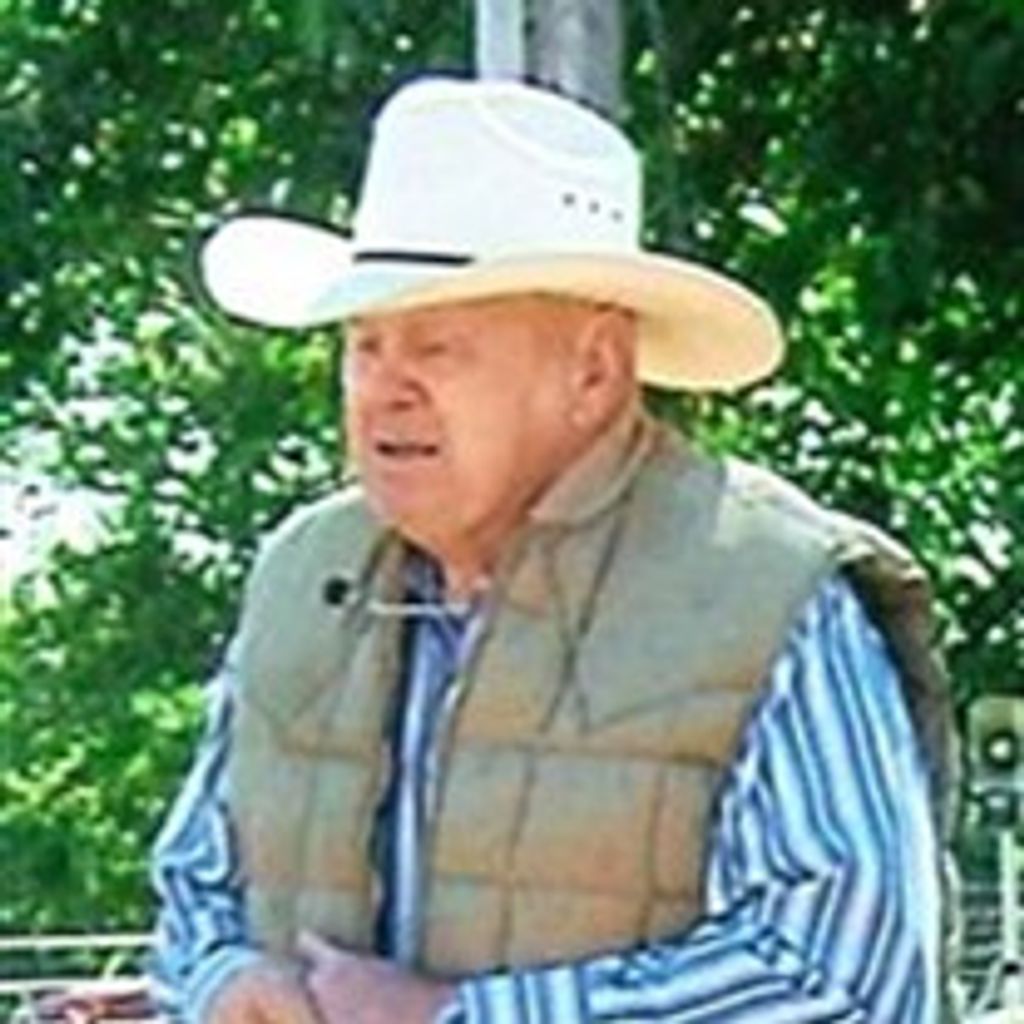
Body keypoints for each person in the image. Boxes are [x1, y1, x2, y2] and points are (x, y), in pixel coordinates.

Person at [150, 76, 953, 1024]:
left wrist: (459, 1018)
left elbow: (849, 984)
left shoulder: (763, 587)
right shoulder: (305, 573)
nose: (385, 390)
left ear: (594, 372)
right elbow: (193, 886)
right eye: (365, 346)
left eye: (437, 349)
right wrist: (222, 983)